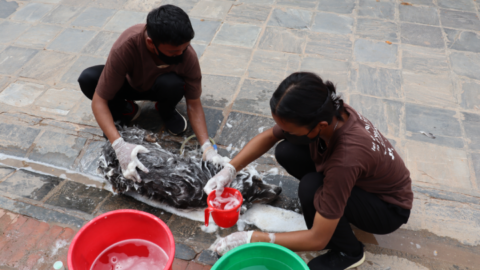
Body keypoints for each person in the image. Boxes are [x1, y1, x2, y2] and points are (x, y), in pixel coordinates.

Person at [204, 72, 413, 270]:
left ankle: (349, 252)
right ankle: (330, 209)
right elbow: (270, 136)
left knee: (311, 188)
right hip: (360, 182)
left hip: (386, 209)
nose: (282, 131)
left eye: (289, 129)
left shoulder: (346, 158)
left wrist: (252, 239)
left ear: (320, 125)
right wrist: (229, 170)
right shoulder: (327, 110)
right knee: (286, 150)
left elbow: (317, 239)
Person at [78, 5, 223, 182]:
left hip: (161, 87)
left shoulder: (187, 57)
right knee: (88, 79)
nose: (180, 54)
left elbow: (193, 103)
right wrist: (119, 145)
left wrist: (207, 147)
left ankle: (166, 110)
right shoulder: (127, 45)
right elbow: (99, 101)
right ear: (150, 43)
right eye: (172, 52)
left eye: (183, 49)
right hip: (131, 84)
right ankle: (126, 109)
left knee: (175, 84)